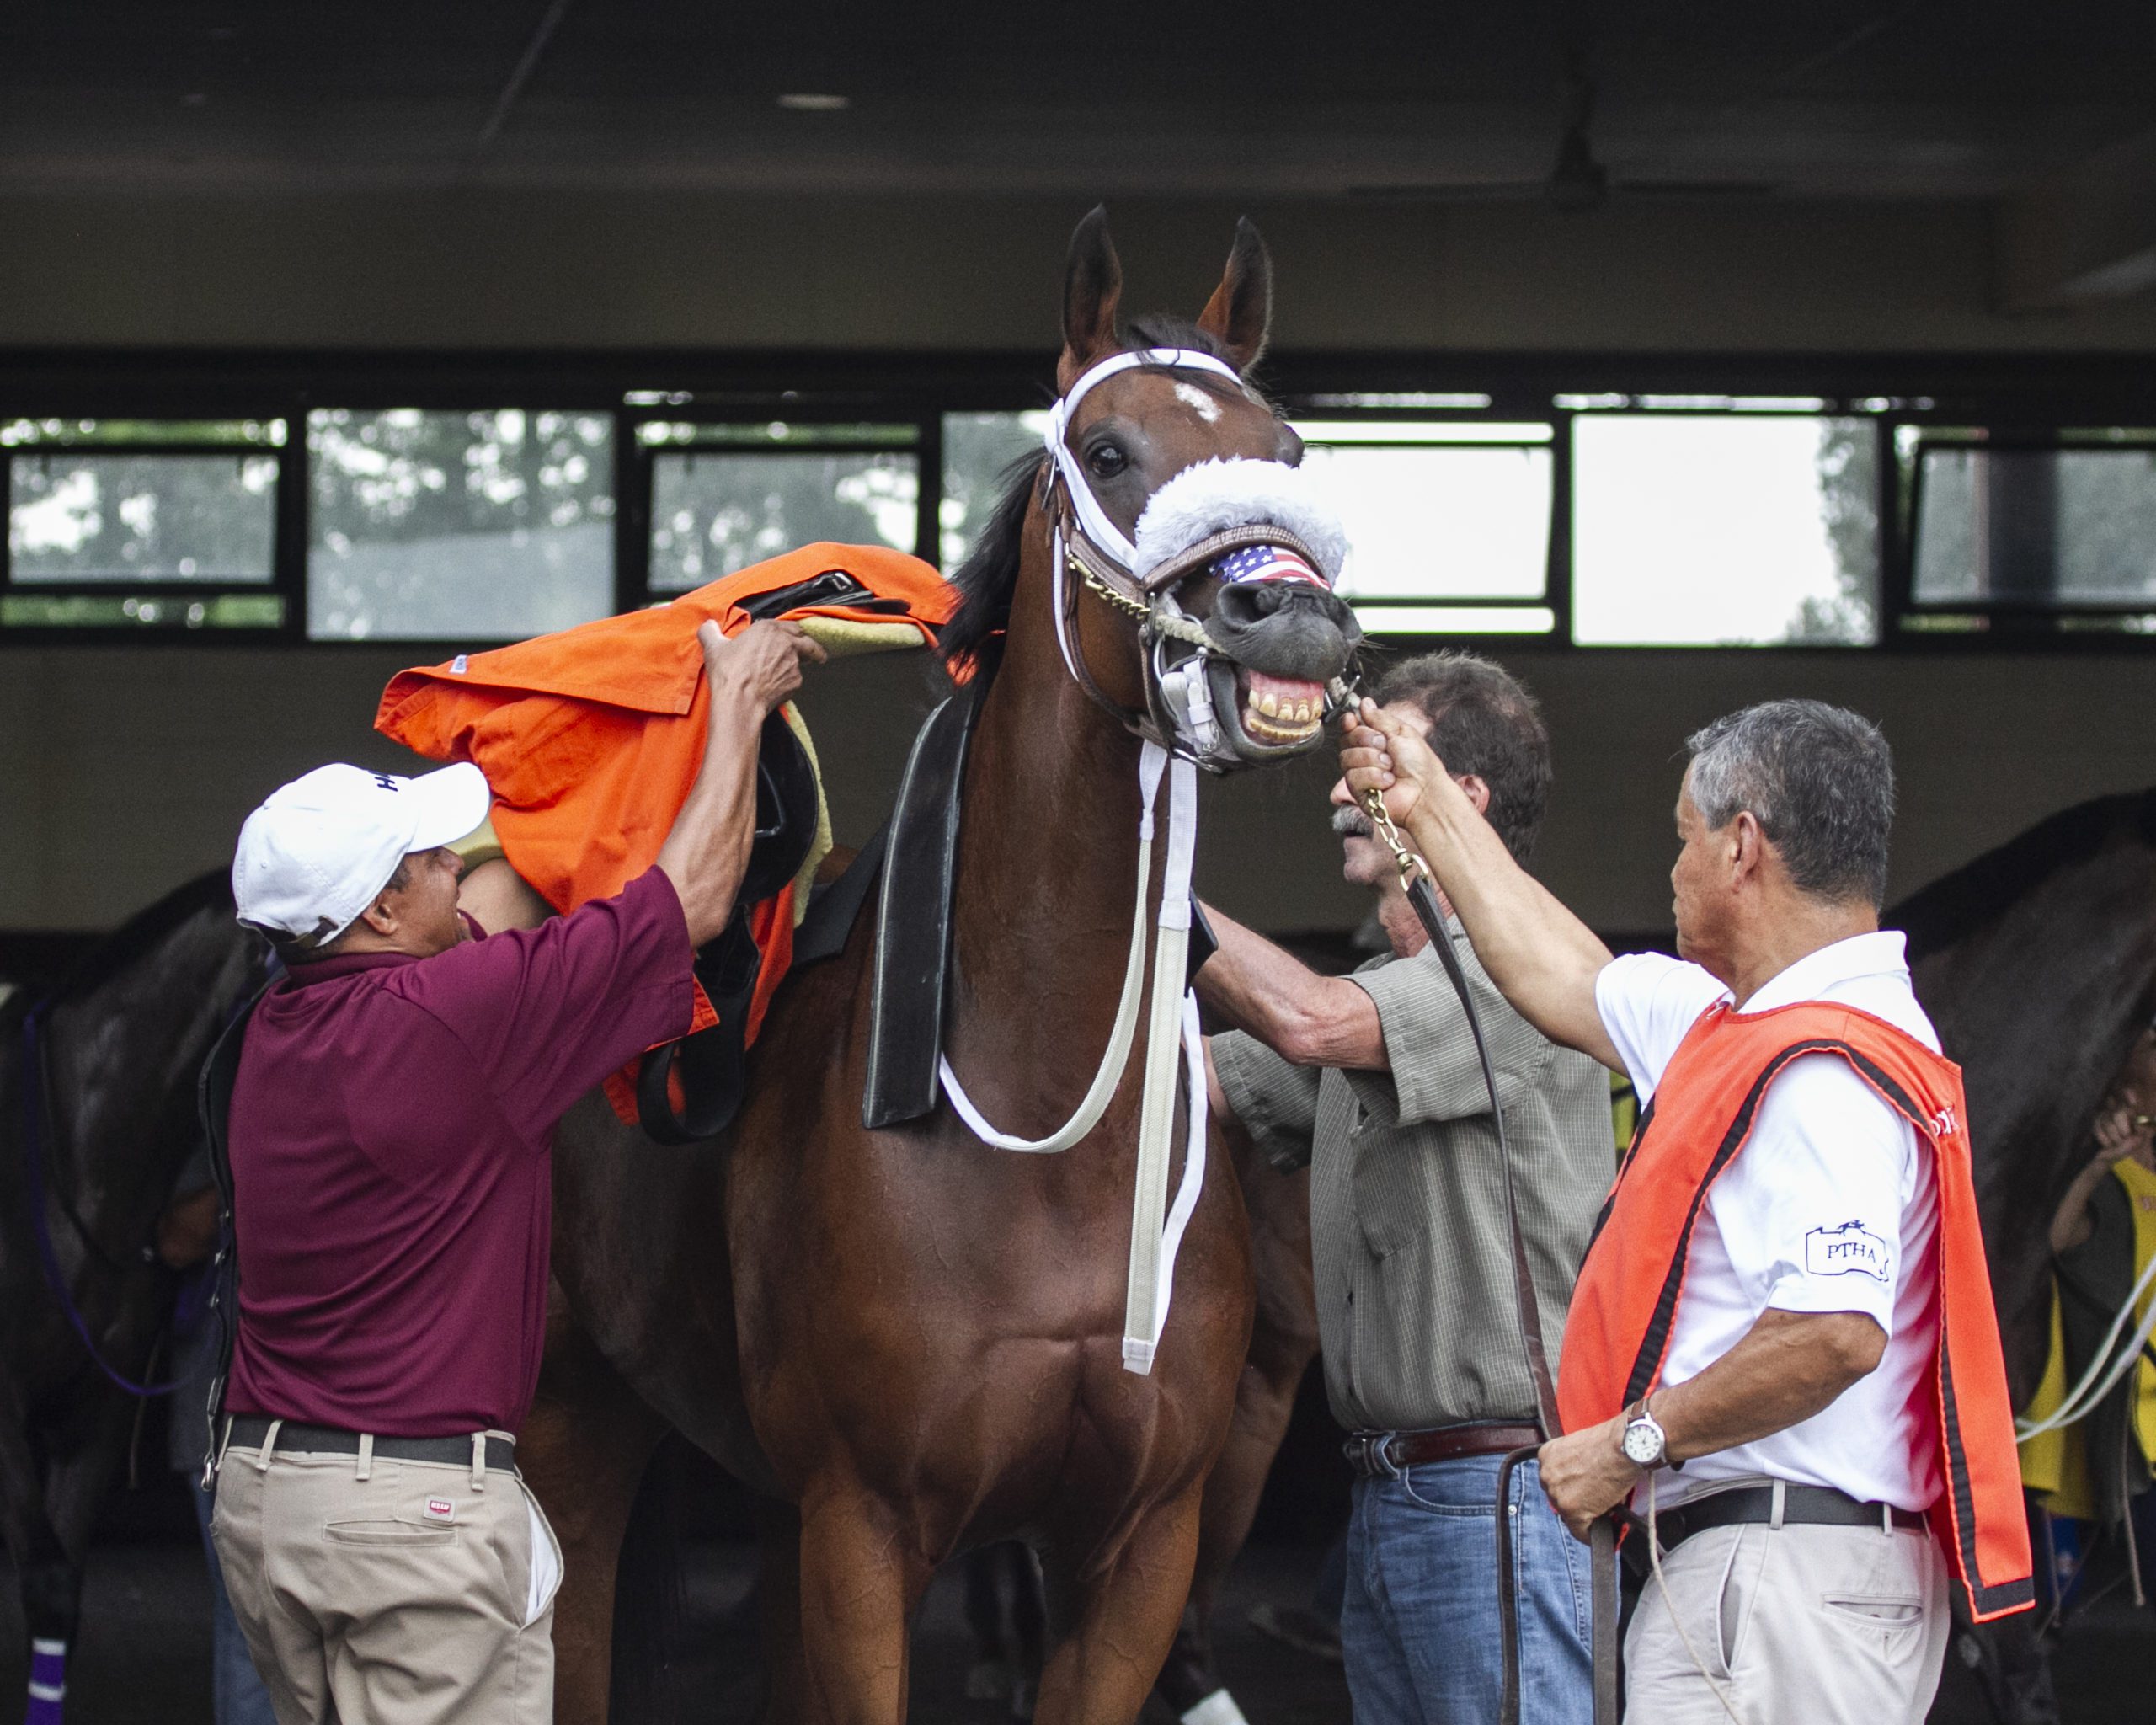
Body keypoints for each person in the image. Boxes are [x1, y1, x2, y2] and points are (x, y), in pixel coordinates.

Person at [1340, 695, 2032, 1723]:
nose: (1669, 870)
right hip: (1775, 1572)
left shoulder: (1819, 1069)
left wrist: (1626, 1442)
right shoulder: (1752, 1033)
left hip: (1776, 1576)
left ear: (1742, 846)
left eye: (1681, 838)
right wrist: (1427, 800)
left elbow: (1834, 1330)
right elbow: (1557, 966)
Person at [208, 617, 821, 1725]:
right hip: (412, 1526)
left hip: (271, 1504)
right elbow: (691, 907)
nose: (463, 865)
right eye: (433, 859)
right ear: (382, 911)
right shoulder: (459, 1027)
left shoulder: (275, 1035)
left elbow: (493, 915)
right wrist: (733, 702)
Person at [1198, 652, 1613, 1725]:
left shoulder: (1527, 973)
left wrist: (1149, 879)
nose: (1338, 789)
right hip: (1399, 1495)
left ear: (1457, 799)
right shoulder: (1389, 994)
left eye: (1370, 764)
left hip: (1498, 1498)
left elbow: (1307, 1022)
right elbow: (1195, 1084)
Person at [157, 1157, 279, 1725]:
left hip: (299, 1410)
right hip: (221, 1410)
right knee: (248, 1621)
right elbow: (177, 1240)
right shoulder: (215, 1101)